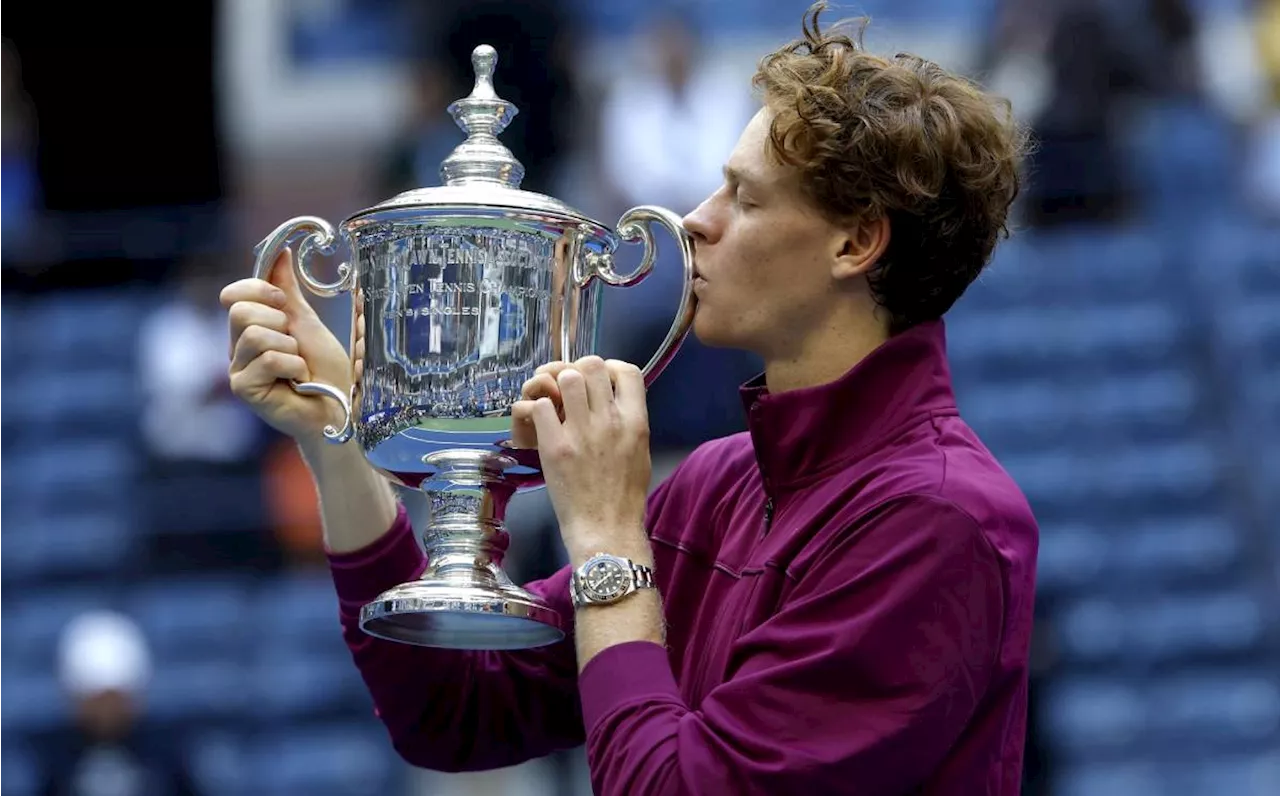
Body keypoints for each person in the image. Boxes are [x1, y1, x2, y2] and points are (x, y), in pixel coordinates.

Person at [218, 3, 1038, 793]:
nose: (695, 221)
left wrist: (608, 539)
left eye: (745, 200)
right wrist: (334, 433)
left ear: (854, 243)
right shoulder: (720, 484)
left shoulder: (941, 521)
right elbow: (453, 709)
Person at [34, 611, 201, 796]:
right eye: (96, 700)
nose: (105, 712)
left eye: (114, 699)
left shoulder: (167, 756)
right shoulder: (52, 760)